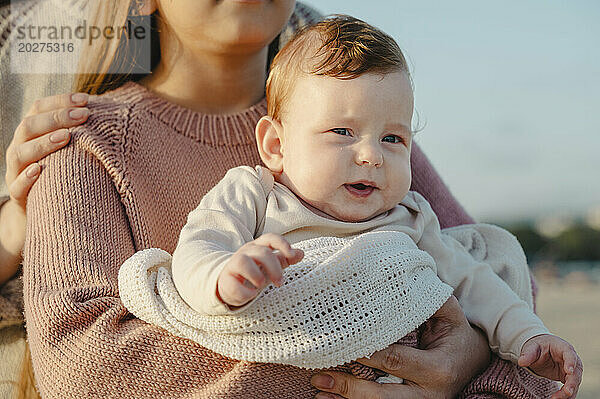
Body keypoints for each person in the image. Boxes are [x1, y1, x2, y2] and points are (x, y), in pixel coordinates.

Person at [1, 0, 578, 398]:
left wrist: (470, 363)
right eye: (345, 137)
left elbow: (490, 278)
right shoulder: (83, 140)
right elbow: (84, 370)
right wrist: (354, 360)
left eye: (392, 140)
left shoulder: (367, 128)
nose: (371, 153)